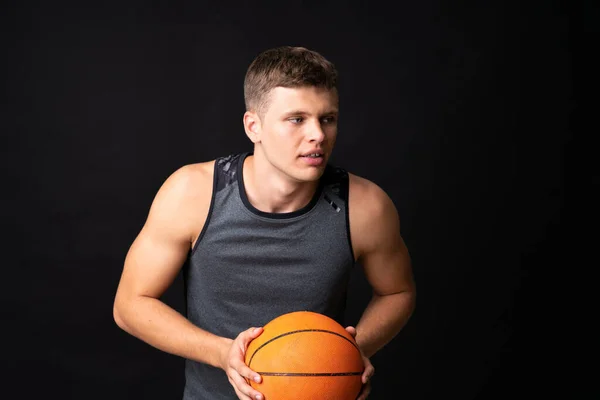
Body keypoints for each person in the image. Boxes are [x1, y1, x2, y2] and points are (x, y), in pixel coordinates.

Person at [113, 45, 416, 400]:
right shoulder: (192, 193)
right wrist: (223, 353)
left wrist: (349, 352)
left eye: (328, 118)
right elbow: (131, 304)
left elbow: (398, 291)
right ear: (253, 126)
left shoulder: (365, 206)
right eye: (296, 119)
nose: (318, 134)